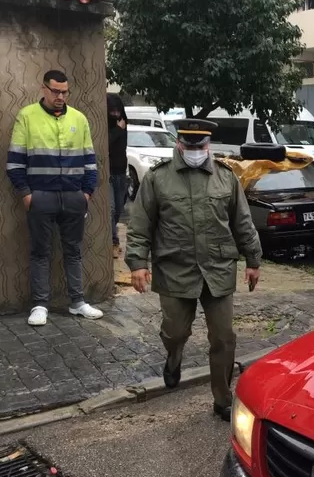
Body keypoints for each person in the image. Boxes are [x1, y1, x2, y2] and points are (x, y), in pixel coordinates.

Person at [124, 118, 262, 421]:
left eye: (200, 146)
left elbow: (242, 222)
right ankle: (173, 358)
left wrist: (253, 260)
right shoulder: (158, 178)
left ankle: (223, 399)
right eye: (189, 145)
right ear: (179, 144)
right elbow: (140, 225)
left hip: (218, 269)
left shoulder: (226, 177)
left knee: (224, 337)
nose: (195, 151)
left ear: (208, 145)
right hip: (175, 269)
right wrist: (137, 263)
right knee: (175, 332)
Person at [6, 69, 103, 326]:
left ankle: (77, 302)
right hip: (41, 197)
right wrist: (27, 195)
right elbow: (14, 162)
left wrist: (86, 193)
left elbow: (90, 161)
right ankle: (39, 304)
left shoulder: (79, 118)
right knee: (40, 252)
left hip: (73, 196)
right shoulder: (27, 116)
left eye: (64, 92)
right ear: (44, 89)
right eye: (55, 91)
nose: (60, 96)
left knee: (73, 251)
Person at [107, 93, 128, 259]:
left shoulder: (123, 124)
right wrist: (118, 129)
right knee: (111, 208)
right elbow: (105, 143)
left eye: (117, 111)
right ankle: (113, 241)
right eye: (111, 112)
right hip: (108, 173)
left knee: (119, 209)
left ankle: (112, 238)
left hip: (121, 173)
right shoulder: (113, 127)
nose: (115, 115)